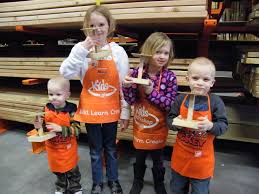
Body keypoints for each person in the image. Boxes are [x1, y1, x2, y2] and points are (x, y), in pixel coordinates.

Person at [59, 5, 130, 194]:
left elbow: (123, 85)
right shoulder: (80, 49)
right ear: (85, 27)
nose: (97, 29)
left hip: (111, 108)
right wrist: (82, 49)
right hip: (90, 108)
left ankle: (113, 181)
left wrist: (125, 111)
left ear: (109, 26)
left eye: (101, 24)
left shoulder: (118, 52)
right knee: (94, 150)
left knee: (111, 149)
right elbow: (65, 72)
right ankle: (97, 182)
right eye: (92, 25)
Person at [123, 32, 178, 194]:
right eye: (157, 52)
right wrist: (126, 87)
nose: (162, 56)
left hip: (159, 127)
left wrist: (151, 92)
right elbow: (132, 100)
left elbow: (170, 105)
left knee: (158, 159)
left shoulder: (170, 77)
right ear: (147, 52)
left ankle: (159, 183)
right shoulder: (136, 73)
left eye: (166, 53)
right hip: (141, 124)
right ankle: (137, 182)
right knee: (139, 157)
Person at [167, 57, 228, 194]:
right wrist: (177, 123)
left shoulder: (215, 102)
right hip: (180, 158)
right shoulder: (180, 99)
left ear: (212, 82)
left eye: (205, 80)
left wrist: (210, 126)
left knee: (200, 191)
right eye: (195, 78)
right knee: (177, 189)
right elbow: (169, 120)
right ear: (187, 79)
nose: (200, 83)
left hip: (201, 162)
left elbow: (223, 126)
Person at [33, 76, 82, 194]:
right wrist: (39, 126)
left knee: (72, 170)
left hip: (68, 148)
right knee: (58, 171)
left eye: (58, 94)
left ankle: (76, 188)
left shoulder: (71, 110)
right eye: (50, 94)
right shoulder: (46, 108)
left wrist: (60, 129)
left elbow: (77, 130)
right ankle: (61, 186)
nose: (53, 97)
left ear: (67, 95)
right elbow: (43, 127)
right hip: (53, 148)